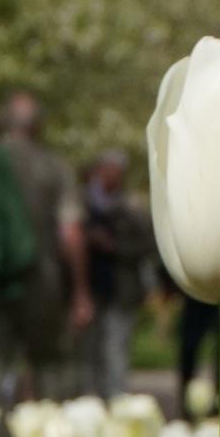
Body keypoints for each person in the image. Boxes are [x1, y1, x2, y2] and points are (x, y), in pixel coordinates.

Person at [0, 92, 92, 405]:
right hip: (41, 284)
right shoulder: (53, 166)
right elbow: (71, 232)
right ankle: (46, 430)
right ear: (38, 126)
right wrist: (81, 292)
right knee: (49, 371)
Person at [82, 149, 154, 400]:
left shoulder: (132, 207)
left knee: (115, 349)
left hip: (121, 290)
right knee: (89, 350)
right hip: (90, 289)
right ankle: (91, 401)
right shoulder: (83, 203)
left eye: (117, 172)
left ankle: (117, 400)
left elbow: (148, 244)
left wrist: (114, 247)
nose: (111, 177)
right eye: (107, 171)